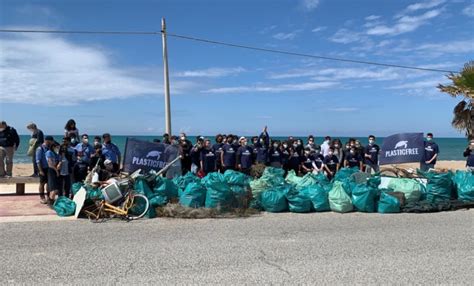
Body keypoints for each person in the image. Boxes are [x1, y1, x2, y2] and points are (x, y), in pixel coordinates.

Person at [36, 136, 53, 203]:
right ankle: (42, 197)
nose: (51, 143)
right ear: (46, 141)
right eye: (50, 141)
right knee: (42, 183)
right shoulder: (40, 149)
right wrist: (40, 170)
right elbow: (38, 161)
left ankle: (48, 197)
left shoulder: (49, 148)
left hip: (49, 168)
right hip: (42, 168)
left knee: (49, 183)